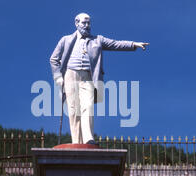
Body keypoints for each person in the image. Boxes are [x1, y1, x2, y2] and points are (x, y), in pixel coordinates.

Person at [50, 13, 149, 144]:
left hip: (89, 77)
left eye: (88, 23)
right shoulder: (66, 40)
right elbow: (54, 59)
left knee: (88, 106)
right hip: (70, 75)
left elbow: (115, 44)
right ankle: (76, 142)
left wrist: (133, 44)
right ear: (76, 23)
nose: (87, 25)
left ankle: (88, 139)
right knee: (74, 110)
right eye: (84, 23)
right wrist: (58, 78)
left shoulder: (98, 39)